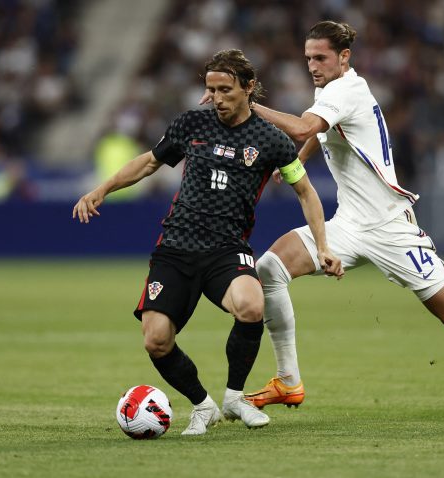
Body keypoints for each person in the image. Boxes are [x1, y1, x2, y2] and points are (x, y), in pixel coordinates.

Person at [202, 21, 444, 425]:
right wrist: (303, 157)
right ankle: (288, 380)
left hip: (390, 227)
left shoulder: (346, 89)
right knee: (269, 267)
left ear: (344, 57)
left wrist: (249, 104)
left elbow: (303, 126)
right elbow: (321, 131)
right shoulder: (330, 89)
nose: (313, 66)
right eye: (308, 58)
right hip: (349, 224)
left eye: (320, 58)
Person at [73, 49, 343, 436]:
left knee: (251, 305)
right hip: (177, 247)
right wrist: (102, 189)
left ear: (249, 89)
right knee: (156, 340)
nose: (217, 98)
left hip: (226, 249)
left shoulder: (272, 141)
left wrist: (323, 247)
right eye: (211, 89)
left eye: (226, 89)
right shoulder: (191, 123)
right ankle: (203, 406)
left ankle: (235, 397)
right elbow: (149, 161)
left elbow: (306, 192)